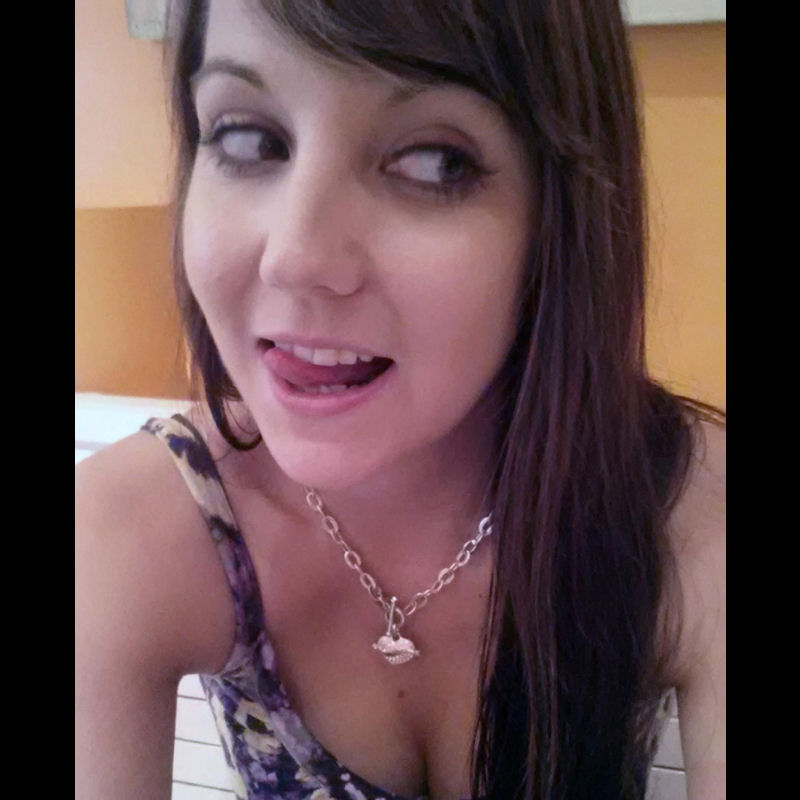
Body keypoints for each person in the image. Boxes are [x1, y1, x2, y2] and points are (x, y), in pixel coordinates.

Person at [75, 1, 725, 798]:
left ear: (559, 215)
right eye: (249, 140)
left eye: (433, 162)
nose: (296, 257)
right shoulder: (123, 530)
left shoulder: (689, 511)